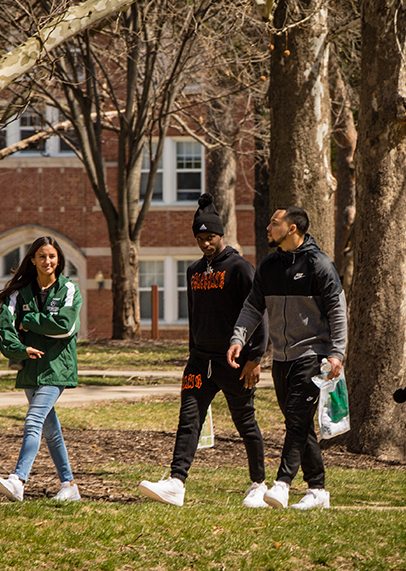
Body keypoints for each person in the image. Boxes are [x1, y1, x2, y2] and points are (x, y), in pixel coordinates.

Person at [139, 194, 269, 507]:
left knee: (245, 422)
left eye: (209, 237)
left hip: (234, 362)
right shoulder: (194, 271)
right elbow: (194, 316)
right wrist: (191, 354)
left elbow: (258, 314)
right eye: (199, 239)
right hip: (199, 362)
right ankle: (176, 483)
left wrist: (255, 359)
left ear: (220, 235)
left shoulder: (241, 268)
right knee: (189, 420)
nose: (205, 244)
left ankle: (259, 484)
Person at [227, 206, 347, 510]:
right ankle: (318, 490)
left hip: (313, 354)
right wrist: (238, 338)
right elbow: (253, 307)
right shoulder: (268, 267)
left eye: (274, 223)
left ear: (293, 228)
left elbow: (337, 310)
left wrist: (336, 352)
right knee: (299, 423)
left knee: (295, 420)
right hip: (281, 358)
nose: (268, 227)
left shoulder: (319, 265)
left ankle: (282, 484)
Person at [0, 236, 82, 502]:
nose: (47, 261)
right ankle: (69, 486)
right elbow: (3, 329)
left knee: (33, 420)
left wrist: (29, 321)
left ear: (59, 260)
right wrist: (21, 350)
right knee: (51, 431)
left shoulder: (69, 290)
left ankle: (18, 480)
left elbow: (65, 326)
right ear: (32, 259)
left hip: (57, 368)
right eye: (42, 256)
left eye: (52, 256)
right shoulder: (19, 294)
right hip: (30, 368)